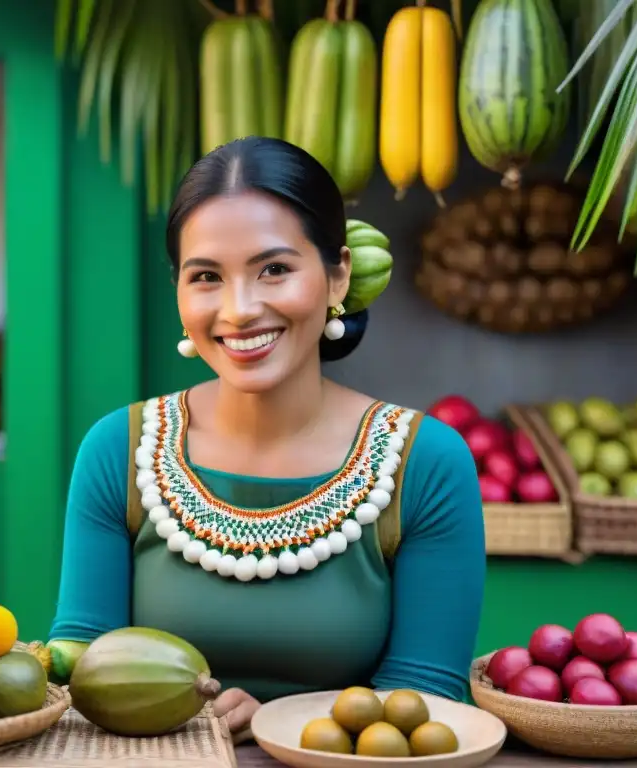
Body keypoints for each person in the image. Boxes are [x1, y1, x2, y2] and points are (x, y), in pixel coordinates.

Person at [47, 136, 485, 738]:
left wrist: (283, 723)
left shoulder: (425, 463)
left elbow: (424, 701)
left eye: (274, 269)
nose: (239, 309)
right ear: (178, 291)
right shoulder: (118, 452)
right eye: (206, 276)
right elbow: (80, 675)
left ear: (337, 276)